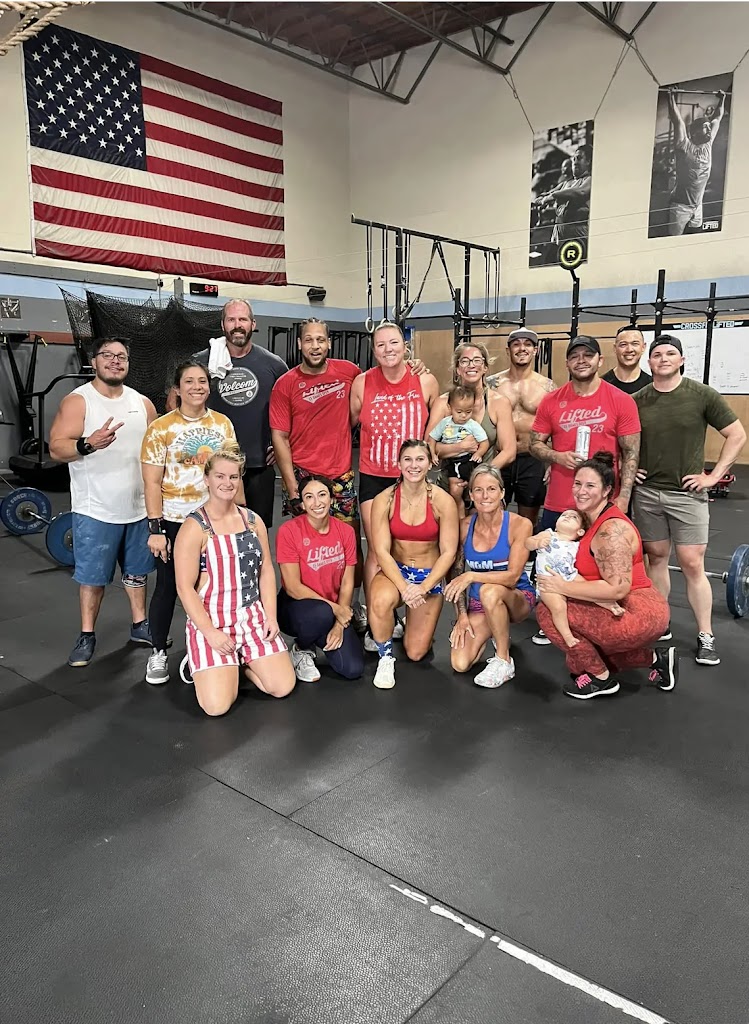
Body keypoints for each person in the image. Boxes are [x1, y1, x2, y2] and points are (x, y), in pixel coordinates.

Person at [632, 334, 746, 665]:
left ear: (681, 360)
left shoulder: (701, 394)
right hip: (648, 494)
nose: (663, 359)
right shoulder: (638, 399)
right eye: (657, 354)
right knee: (656, 558)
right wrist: (631, 468)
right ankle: (660, 622)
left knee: (692, 563)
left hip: (687, 495)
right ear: (649, 361)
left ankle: (705, 635)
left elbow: (737, 434)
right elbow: (622, 438)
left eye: (670, 353)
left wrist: (714, 476)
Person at [49, 337, 159, 667]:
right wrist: (87, 444)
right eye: (107, 355)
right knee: (93, 579)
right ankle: (87, 635)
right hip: (95, 509)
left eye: (121, 356)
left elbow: (157, 451)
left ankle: (140, 625)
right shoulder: (79, 401)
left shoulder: (143, 403)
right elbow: (56, 448)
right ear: (94, 361)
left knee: (137, 574)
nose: (115, 361)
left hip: (139, 508)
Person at [535, 452, 677, 699]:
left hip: (638, 610)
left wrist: (561, 587)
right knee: (577, 663)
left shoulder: (610, 531)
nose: (581, 491)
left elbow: (617, 589)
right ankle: (657, 659)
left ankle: (601, 680)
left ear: (607, 490)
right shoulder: (588, 520)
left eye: (590, 486)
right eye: (577, 483)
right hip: (623, 604)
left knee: (547, 612)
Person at [141, 360, 242, 685]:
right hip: (175, 520)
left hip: (215, 519)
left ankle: (210, 648)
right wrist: (155, 529)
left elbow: (233, 474)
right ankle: (158, 651)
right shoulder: (161, 428)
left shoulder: (222, 424)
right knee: (169, 586)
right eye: (189, 381)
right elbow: (151, 482)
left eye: (202, 381)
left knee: (216, 586)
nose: (197, 387)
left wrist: (242, 517)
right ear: (177, 388)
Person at [173, 448, 294, 716]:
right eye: (220, 476)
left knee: (282, 686)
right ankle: (201, 661)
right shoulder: (194, 527)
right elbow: (184, 588)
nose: (227, 483)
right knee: (217, 707)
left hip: (251, 617)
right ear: (207, 479)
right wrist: (211, 633)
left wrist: (270, 617)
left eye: (233, 477)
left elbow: (265, 571)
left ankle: (239, 662)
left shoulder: (252, 521)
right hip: (212, 620)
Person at [350, 322, 440, 612]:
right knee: (378, 550)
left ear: (405, 346)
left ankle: (410, 608)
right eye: (381, 344)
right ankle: (374, 614)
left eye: (394, 343)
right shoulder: (362, 383)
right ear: (374, 351)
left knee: (411, 548)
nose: (388, 349)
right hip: (375, 476)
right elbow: (346, 424)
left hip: (413, 478)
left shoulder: (425, 380)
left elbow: (438, 427)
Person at [368, 440, 459, 689]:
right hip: (396, 572)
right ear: (398, 464)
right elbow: (381, 551)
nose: (414, 465)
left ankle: (409, 622)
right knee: (380, 600)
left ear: (430, 464)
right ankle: (385, 657)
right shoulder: (384, 499)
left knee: (416, 652)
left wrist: (423, 587)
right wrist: (405, 587)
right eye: (407, 459)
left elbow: (448, 552)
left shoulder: (442, 501)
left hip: (428, 576)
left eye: (420, 459)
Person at [190, 299, 288, 528]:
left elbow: (292, 410)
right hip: (214, 465)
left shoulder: (274, 365)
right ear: (222, 325)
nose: (237, 325)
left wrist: (282, 444)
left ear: (253, 324)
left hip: (258, 465)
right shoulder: (201, 362)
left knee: (255, 531)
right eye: (231, 320)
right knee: (214, 530)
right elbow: (177, 403)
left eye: (243, 319)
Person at [445, 466, 535, 688]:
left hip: (516, 597)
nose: (485, 496)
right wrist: (462, 617)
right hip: (480, 604)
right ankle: (495, 630)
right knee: (460, 663)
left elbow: (512, 577)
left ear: (502, 492)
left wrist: (472, 576)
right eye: (478, 490)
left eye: (492, 489)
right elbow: (456, 575)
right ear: (471, 495)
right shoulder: (465, 526)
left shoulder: (519, 525)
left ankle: (504, 660)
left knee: (489, 590)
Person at [276, 474, 363, 682]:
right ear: (302, 503)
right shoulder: (289, 531)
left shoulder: (346, 532)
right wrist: (337, 610)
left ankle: (319, 634)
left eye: (322, 495)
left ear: (331, 499)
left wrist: (339, 624)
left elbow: (347, 582)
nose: (317, 503)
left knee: (353, 668)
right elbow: (292, 587)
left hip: (331, 609)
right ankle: (301, 648)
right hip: (296, 607)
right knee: (321, 613)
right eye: (309, 497)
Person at [426, 341, 517, 507]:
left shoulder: (499, 402)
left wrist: (478, 477)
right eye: (465, 361)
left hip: (485, 489)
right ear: (457, 369)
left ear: (485, 367)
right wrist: (460, 447)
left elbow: (509, 452)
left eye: (477, 360)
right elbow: (428, 446)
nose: (471, 365)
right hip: (449, 486)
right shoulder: (443, 403)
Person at [526, 508, 623, 648]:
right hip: (547, 581)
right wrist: (536, 543)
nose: (567, 517)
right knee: (558, 607)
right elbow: (528, 542)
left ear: (580, 532)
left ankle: (611, 605)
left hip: (570, 575)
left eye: (573, 517)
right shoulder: (548, 534)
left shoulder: (578, 544)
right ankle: (567, 636)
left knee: (590, 589)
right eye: (564, 515)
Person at [489, 328, 557, 527]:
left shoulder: (547, 386)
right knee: (492, 515)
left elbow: (557, 427)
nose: (522, 348)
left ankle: (525, 547)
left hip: (532, 458)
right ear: (508, 350)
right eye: (516, 344)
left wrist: (553, 461)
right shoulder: (492, 384)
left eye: (527, 344)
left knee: (527, 521)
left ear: (535, 350)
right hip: (499, 456)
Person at [666, 88, 726, 236]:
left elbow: (717, 117)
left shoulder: (708, 144)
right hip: (680, 207)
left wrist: (722, 99)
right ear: (694, 132)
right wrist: (670, 96)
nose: (709, 130)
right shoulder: (684, 145)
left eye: (709, 127)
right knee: (673, 241)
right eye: (705, 128)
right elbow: (677, 121)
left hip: (698, 206)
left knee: (696, 237)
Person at [428, 385, 490, 514]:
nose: (464, 416)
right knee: (453, 488)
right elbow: (432, 439)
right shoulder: (445, 423)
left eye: (468, 412)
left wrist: (479, 453)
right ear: (450, 408)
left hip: (465, 460)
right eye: (459, 412)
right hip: (449, 461)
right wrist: (433, 454)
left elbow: (484, 442)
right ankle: (460, 508)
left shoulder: (472, 425)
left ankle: (460, 510)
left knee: (455, 489)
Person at [602, 327, 653, 395]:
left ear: (643, 347)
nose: (629, 349)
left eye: (635, 344)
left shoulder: (652, 386)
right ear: (615, 348)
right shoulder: (602, 385)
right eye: (623, 344)